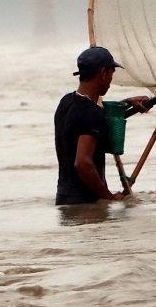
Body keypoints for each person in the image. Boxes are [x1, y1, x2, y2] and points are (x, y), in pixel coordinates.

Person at [55, 46, 150, 205]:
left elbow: (91, 115)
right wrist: (108, 196)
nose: (111, 80)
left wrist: (126, 103)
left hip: (64, 199)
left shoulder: (66, 102)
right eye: (112, 73)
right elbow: (82, 163)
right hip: (85, 204)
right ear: (103, 73)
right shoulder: (91, 113)